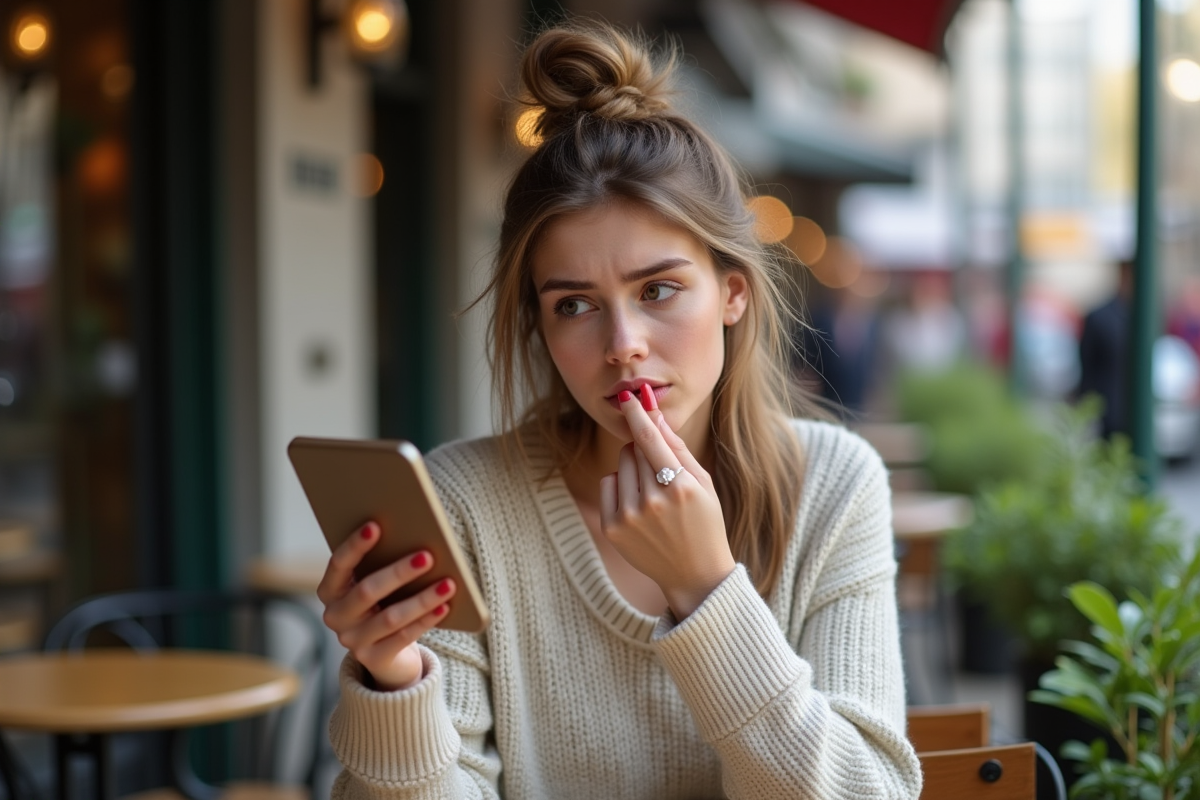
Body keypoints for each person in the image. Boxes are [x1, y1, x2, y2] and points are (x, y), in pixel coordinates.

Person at [316, 21, 921, 800]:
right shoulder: (465, 501)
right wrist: (396, 684)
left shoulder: (834, 487)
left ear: (733, 291)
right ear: (540, 325)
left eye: (659, 290)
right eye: (574, 305)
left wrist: (706, 588)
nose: (623, 344)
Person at [1077, 259, 1132, 439]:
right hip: (1110, 414)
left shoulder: (1148, 315)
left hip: (1137, 411)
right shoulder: (1099, 317)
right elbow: (1087, 368)